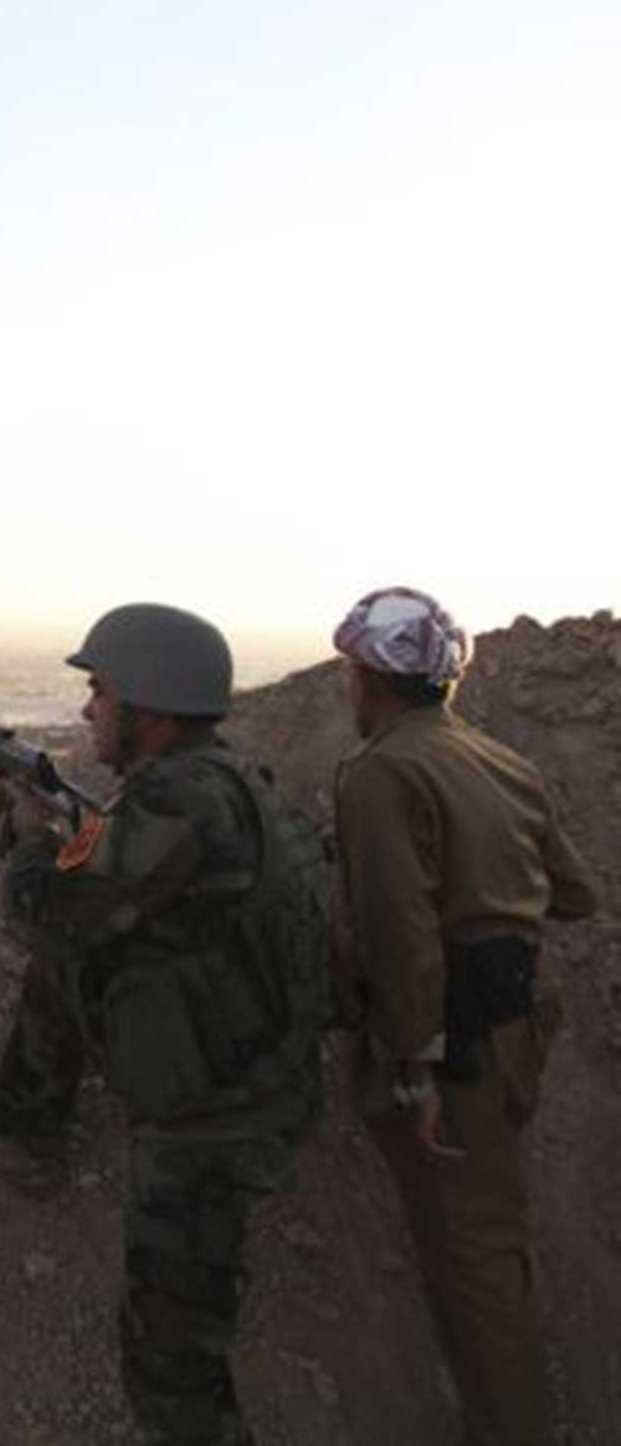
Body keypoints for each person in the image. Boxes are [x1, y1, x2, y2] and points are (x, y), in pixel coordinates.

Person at [0, 604, 329, 1446]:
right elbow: (132, 877)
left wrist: (29, 840)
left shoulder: (185, 802)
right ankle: (26, 1129)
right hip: (249, 1049)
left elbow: (51, 916)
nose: (88, 709)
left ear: (153, 709)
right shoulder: (215, 778)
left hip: (218, 1111)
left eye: (101, 692)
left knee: (170, 1358)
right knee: (63, 982)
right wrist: (82, 833)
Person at [330, 586, 598, 1446]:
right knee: (494, 1236)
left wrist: (419, 1066)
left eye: (352, 672)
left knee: (472, 1262)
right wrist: (495, 903)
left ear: (371, 678)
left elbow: (400, 930)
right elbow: (577, 892)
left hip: (458, 1049)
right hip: (514, 1026)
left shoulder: (382, 773)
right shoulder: (500, 760)